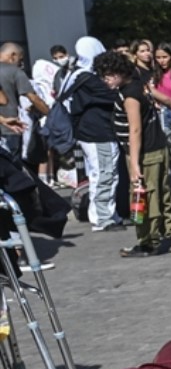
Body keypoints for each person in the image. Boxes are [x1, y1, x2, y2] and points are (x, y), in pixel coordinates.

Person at [118, 51, 171, 258]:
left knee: (143, 196)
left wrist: (134, 164)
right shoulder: (143, 87)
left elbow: (135, 130)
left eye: (108, 75)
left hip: (145, 152)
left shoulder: (130, 95)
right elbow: (168, 101)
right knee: (163, 192)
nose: (105, 80)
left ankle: (148, 241)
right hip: (158, 147)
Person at [67, 38, 124, 230]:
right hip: (98, 133)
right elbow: (115, 97)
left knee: (102, 173)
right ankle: (102, 217)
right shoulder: (90, 79)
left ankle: (108, 213)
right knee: (104, 174)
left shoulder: (77, 75)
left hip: (89, 133)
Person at [0, 42, 36, 160]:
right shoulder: (15, 71)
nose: (20, 64)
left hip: (8, 124)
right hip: (10, 127)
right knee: (12, 167)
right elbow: (32, 97)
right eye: (20, 60)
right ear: (13, 55)